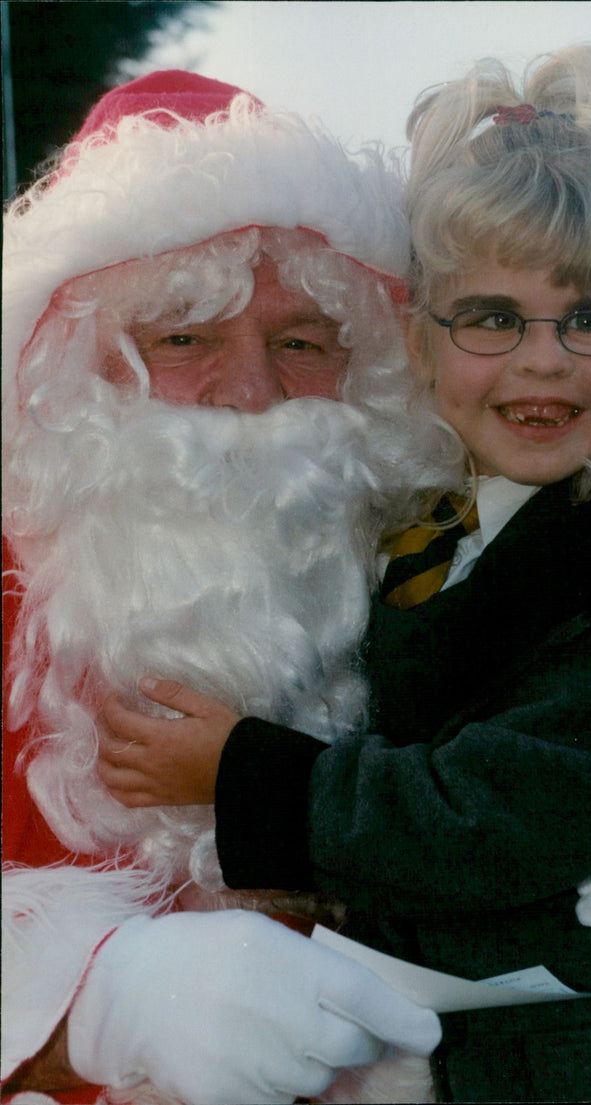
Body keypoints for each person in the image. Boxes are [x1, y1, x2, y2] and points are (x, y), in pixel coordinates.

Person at [97, 47, 591, 1103]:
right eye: (490, 316)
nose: (541, 358)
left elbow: (494, 814)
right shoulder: (434, 521)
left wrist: (245, 776)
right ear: (416, 338)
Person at [2, 69, 451, 1105]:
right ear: (74, 371)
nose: (250, 396)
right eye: (184, 339)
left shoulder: (421, 576)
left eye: (299, 343)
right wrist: (90, 1003)